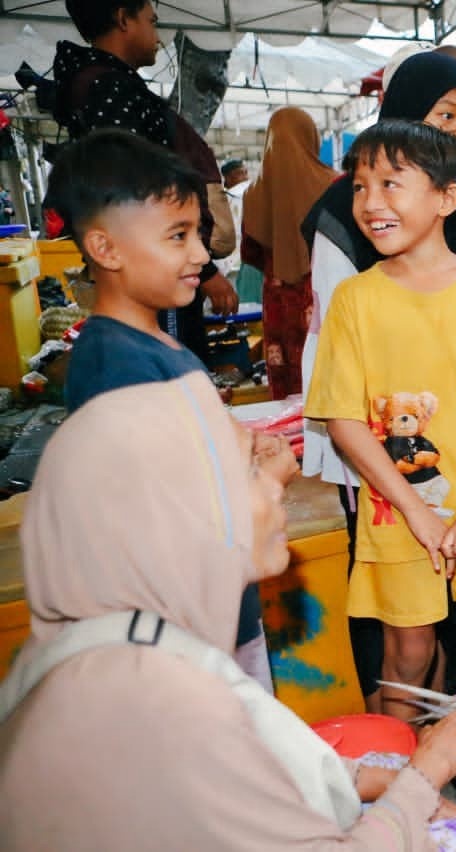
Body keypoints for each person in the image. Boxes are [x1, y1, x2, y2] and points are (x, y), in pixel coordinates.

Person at [0, 374, 456, 850]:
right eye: (250, 470)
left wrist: (390, 782)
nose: (280, 483)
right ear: (177, 513)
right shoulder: (154, 696)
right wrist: (424, 775)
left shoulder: (123, 641)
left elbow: (271, 764)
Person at [305, 121, 456, 723]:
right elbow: (343, 419)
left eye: (391, 184)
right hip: (397, 508)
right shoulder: (355, 300)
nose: (370, 203)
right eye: (360, 187)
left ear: (445, 197)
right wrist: (415, 511)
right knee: (407, 654)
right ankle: (406, 784)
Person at [45, 128, 287, 692]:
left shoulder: (156, 346)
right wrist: (264, 483)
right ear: (106, 249)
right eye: (178, 236)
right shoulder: (116, 367)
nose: (202, 255)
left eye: (198, 234)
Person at [52, 0, 239, 360]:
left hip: (150, 269)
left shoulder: (101, 85)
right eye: (152, 22)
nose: (158, 36)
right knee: (171, 365)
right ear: (123, 18)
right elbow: (142, 202)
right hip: (154, 275)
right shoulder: (111, 92)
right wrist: (206, 270)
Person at [241, 108, 335, 400]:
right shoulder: (335, 185)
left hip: (277, 299)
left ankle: (289, 440)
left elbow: (250, 253)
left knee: (286, 381)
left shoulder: (252, 194)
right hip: (324, 293)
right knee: (329, 373)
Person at [215, 159, 251, 289]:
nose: (246, 177)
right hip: (232, 260)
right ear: (228, 177)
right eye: (240, 173)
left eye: (246, 172)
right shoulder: (226, 197)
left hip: (242, 260)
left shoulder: (247, 191)